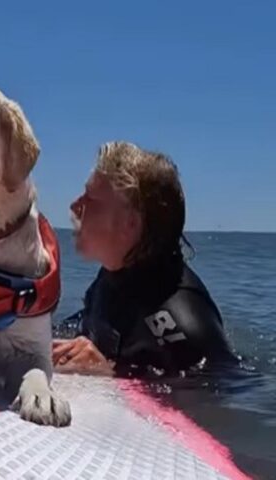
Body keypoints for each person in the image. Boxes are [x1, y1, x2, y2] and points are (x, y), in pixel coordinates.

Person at [52, 142, 235, 376]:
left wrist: (109, 371)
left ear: (130, 224)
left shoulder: (181, 317)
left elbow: (215, 391)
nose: (75, 206)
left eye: (91, 199)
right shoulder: (115, 271)